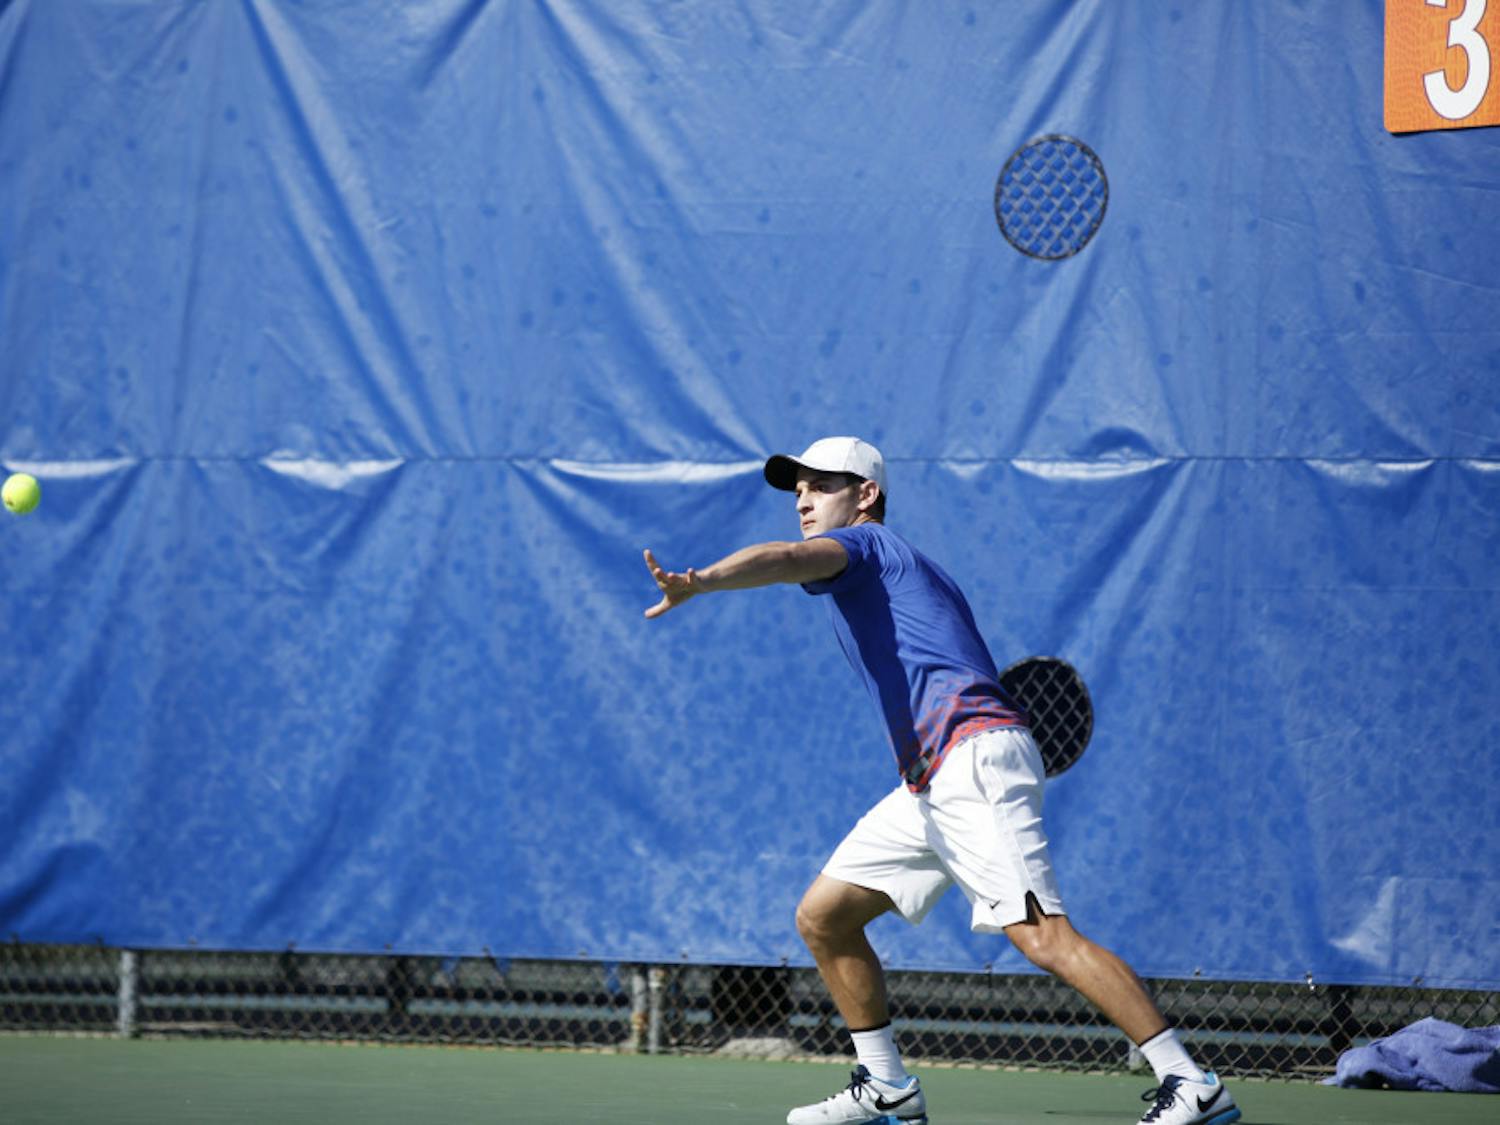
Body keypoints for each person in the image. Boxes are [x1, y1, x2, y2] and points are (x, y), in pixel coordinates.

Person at [642, 437, 1240, 1125]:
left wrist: (703, 580)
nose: (803, 498)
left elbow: (785, 559)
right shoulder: (898, 569)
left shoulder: (866, 547)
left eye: (822, 483)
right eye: (796, 486)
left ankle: (1190, 1080)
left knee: (1043, 935)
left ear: (864, 494)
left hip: (972, 758)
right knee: (825, 917)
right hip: (929, 780)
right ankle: (887, 1085)